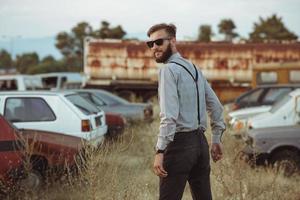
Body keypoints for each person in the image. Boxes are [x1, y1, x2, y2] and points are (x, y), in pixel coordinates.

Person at [147, 23, 226, 200]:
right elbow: (216, 106)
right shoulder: (194, 69)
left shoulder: (168, 70)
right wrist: (216, 139)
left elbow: (169, 117)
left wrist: (160, 150)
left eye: (159, 42)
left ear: (173, 40)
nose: (154, 48)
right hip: (200, 145)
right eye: (150, 44)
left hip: (179, 146)